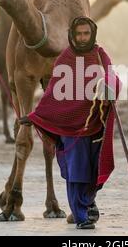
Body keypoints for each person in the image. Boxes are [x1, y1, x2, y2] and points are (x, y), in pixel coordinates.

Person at [19, 16, 121, 230]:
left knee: (93, 170)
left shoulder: (100, 54)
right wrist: (35, 117)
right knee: (77, 172)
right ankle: (81, 215)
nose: (83, 38)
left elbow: (111, 75)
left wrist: (111, 88)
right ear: (73, 35)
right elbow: (53, 93)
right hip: (70, 128)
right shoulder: (66, 57)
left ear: (92, 33)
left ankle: (88, 203)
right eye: (79, 34)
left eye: (86, 34)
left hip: (94, 124)